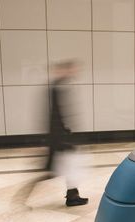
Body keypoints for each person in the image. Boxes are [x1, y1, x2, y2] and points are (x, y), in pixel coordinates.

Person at [46, 60, 88, 207]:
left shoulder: (60, 86)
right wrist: (63, 138)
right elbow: (56, 116)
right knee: (60, 170)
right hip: (59, 137)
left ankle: (72, 196)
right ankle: (72, 197)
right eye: (72, 69)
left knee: (70, 167)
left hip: (61, 136)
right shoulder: (57, 88)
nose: (74, 72)